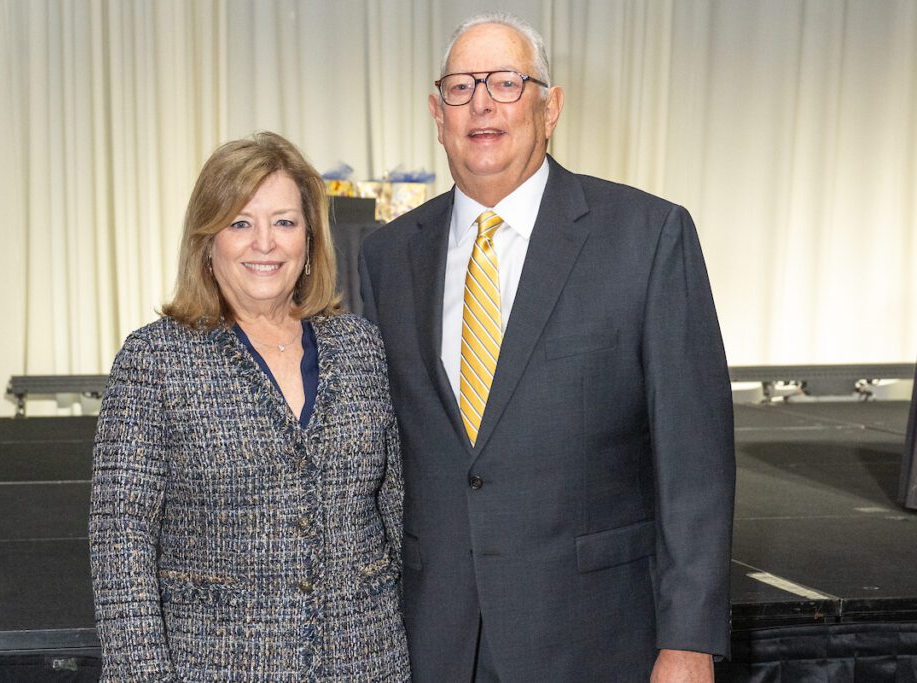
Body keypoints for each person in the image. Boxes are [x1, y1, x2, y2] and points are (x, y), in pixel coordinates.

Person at [360, 12, 735, 683]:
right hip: (430, 641)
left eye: (506, 82)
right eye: (460, 87)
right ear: (437, 114)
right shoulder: (385, 258)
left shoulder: (647, 237)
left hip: (594, 640)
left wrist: (689, 641)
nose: (481, 103)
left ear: (550, 107)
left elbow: (695, 463)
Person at [89, 132, 409, 681]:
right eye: (240, 223)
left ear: (309, 240)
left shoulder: (362, 348)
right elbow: (121, 544)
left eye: (284, 222)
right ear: (207, 242)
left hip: (366, 662)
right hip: (215, 665)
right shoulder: (155, 359)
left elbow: (397, 511)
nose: (265, 243)